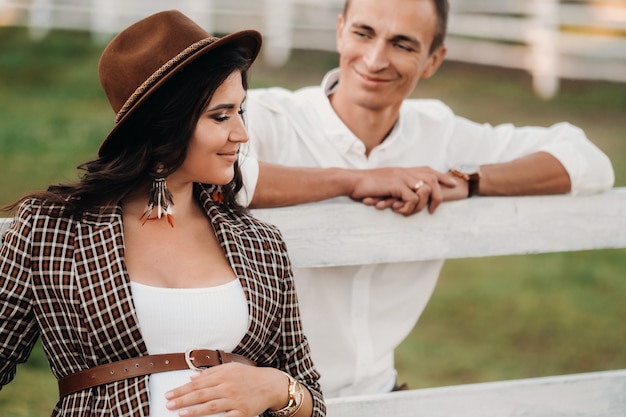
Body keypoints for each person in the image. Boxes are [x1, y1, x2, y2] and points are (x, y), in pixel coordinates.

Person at [236, 0, 615, 398]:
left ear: (434, 60)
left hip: (381, 394)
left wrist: (471, 180)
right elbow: (209, 173)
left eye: (403, 44)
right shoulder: (267, 118)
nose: (376, 58)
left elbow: (587, 159)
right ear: (340, 31)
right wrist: (353, 181)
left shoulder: (440, 132)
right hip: (270, 398)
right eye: (363, 34)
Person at [0, 10, 325, 417]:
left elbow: (312, 397)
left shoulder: (261, 244)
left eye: (241, 112)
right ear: (163, 124)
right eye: (220, 116)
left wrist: (277, 388)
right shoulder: (52, 231)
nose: (241, 134)